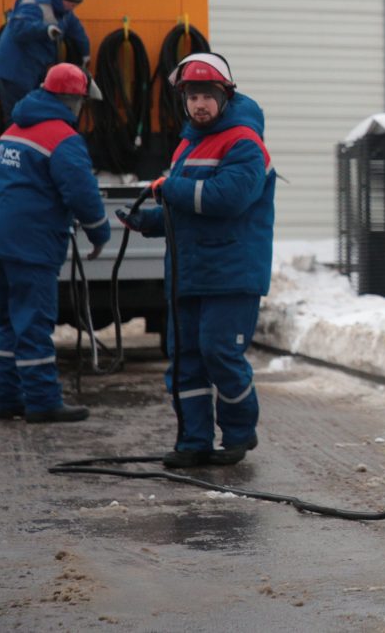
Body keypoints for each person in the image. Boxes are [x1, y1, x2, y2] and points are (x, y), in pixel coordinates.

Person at [117, 52, 276, 469]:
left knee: (219, 353)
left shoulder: (245, 142)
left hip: (230, 274)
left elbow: (229, 198)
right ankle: (193, 441)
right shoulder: (189, 143)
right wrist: (149, 221)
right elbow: (184, 207)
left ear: (225, 96)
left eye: (207, 96)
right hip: (189, 273)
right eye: (192, 97)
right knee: (186, 357)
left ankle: (239, 434)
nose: (199, 105)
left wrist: (171, 189)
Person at [0, 62, 110, 423]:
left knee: (9, 321)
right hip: (29, 246)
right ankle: (42, 401)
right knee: (33, 323)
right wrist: (99, 232)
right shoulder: (63, 138)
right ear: (74, 101)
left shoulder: (14, 129)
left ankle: (6, 399)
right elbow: (82, 193)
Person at [0, 0, 91, 127]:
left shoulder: (64, 11)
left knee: (32, 113)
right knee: (17, 114)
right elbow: (18, 28)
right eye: (72, 5)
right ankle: (15, 145)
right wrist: (45, 30)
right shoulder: (36, 2)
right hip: (14, 68)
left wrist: (86, 54)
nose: (72, 9)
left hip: (33, 69)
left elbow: (77, 31)